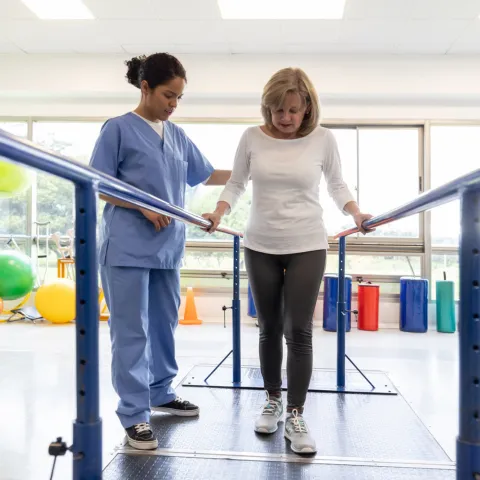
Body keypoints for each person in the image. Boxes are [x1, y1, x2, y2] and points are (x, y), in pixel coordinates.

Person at [202, 68, 373, 455]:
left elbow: (337, 184)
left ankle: (296, 414)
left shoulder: (323, 139)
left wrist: (356, 213)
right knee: (269, 326)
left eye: (293, 110)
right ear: (267, 108)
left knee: (299, 330)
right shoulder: (251, 137)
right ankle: (273, 400)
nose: (285, 118)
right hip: (260, 242)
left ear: (307, 106)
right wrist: (218, 212)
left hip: (307, 243)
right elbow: (236, 182)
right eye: (278, 110)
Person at [89, 53, 230, 450]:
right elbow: (98, 183)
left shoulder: (178, 136)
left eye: (179, 98)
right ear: (146, 87)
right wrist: (141, 206)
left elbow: (206, 173)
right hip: (126, 248)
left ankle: (160, 391)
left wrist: (259, 166)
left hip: (167, 249)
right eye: (169, 95)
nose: (173, 104)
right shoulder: (118, 129)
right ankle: (134, 415)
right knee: (131, 331)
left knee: (164, 326)